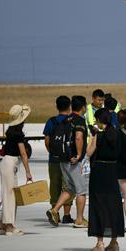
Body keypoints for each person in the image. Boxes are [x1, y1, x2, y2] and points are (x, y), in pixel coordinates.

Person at [48, 95, 89, 228]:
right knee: (81, 190)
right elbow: (78, 137)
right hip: (74, 161)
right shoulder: (79, 120)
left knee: (69, 188)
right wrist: (78, 155)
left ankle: (54, 210)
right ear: (83, 107)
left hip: (63, 160)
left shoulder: (66, 119)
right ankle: (79, 219)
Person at [87, 108, 123, 251]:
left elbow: (89, 152)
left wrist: (93, 136)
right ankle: (114, 241)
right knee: (113, 205)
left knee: (99, 205)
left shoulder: (99, 136)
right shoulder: (117, 134)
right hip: (113, 171)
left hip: (99, 171)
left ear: (100, 120)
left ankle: (100, 243)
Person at [0, 104, 32, 236]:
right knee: (10, 196)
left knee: (8, 194)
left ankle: (2, 225)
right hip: (10, 163)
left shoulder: (11, 130)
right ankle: (9, 226)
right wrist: (28, 172)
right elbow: (23, 154)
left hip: (7, 163)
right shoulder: (17, 133)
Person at [44, 95, 75, 223]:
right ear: (69, 106)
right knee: (67, 186)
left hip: (54, 159)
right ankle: (66, 215)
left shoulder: (51, 121)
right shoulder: (72, 120)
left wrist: (52, 152)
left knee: (55, 185)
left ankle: (54, 212)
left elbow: (47, 140)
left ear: (57, 106)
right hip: (67, 159)